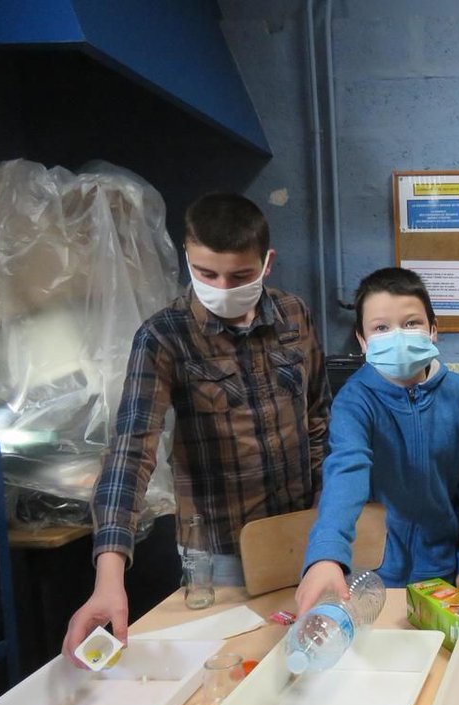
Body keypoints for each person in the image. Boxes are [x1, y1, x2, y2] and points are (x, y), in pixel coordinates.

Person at [62, 192, 330, 661]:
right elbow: (131, 451)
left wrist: (328, 530)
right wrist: (109, 577)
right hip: (222, 556)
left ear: (267, 263)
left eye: (240, 276)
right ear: (188, 259)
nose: (223, 287)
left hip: (300, 538)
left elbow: (319, 423)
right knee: (228, 673)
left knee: (308, 669)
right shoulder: (164, 336)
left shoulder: (294, 316)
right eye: (207, 274)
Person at [295, 267, 459, 613]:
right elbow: (345, 472)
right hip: (377, 573)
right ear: (363, 340)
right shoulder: (355, 400)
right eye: (381, 328)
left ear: (433, 329)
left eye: (411, 323)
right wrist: (327, 554)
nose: (397, 336)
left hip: (442, 567)